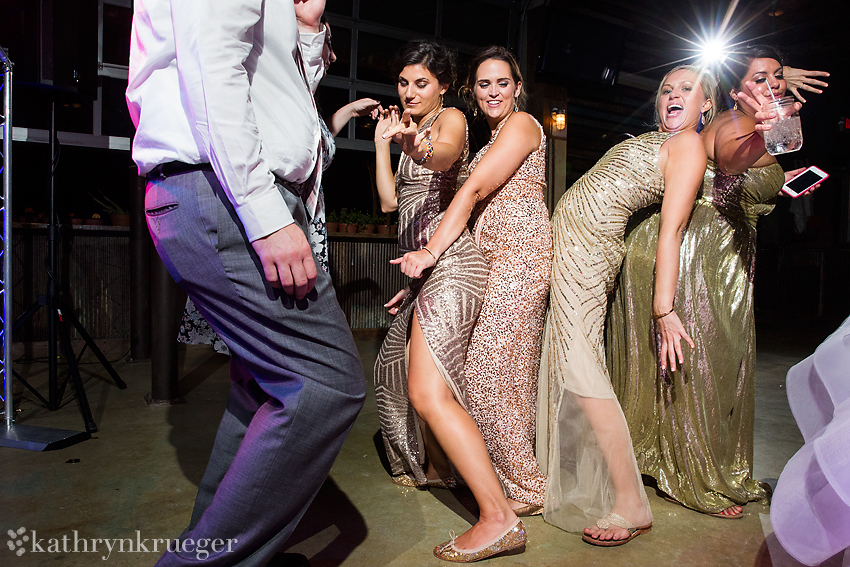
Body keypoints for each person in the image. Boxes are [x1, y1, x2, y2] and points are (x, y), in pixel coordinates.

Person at [126, 0, 366, 565]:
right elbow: (212, 68)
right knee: (327, 384)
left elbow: (280, 95)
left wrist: (305, 28)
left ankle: (209, 548)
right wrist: (266, 215)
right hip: (226, 195)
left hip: (227, 191)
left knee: (262, 388)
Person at [606, 46, 828, 520]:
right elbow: (731, 160)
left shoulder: (766, 121)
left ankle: (677, 458)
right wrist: (763, 138)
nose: (768, 87)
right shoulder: (727, 124)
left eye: (776, 80)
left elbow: (764, 160)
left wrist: (775, 117)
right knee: (696, 366)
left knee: (709, 364)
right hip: (695, 258)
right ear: (733, 92)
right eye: (757, 80)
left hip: (726, 262)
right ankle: (692, 470)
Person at [535, 65, 718, 546]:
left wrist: (663, 308)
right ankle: (547, 472)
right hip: (567, 245)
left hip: (592, 253)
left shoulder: (689, 146)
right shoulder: (653, 139)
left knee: (581, 363)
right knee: (564, 359)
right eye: (666, 89)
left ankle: (630, 502)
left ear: (707, 107)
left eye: (687, 89)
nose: (673, 95)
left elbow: (672, 229)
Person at [373, 41, 526, 562]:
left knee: (428, 390)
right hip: (426, 269)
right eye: (403, 82)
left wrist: (415, 147)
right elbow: (392, 203)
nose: (410, 91)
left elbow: (444, 155)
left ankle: (499, 517)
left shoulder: (453, 119)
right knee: (398, 373)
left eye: (421, 82)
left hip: (453, 262)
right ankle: (441, 469)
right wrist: (384, 145)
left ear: (442, 86)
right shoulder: (410, 129)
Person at [395, 46, 551, 516]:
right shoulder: (491, 139)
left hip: (520, 259)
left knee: (495, 375)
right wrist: (424, 274)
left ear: (517, 88)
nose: (493, 91)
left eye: (502, 82)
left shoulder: (523, 125)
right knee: (491, 375)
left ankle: (527, 487)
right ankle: (505, 479)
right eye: (484, 84)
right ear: (473, 91)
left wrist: (428, 252)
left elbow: (473, 190)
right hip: (490, 259)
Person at [176, 16, 380, 354]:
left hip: (301, 221)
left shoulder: (305, 112)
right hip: (276, 216)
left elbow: (321, 139)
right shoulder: (284, 90)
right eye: (328, 46)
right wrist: (313, 23)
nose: (332, 57)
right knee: (288, 351)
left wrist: (351, 109)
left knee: (268, 356)